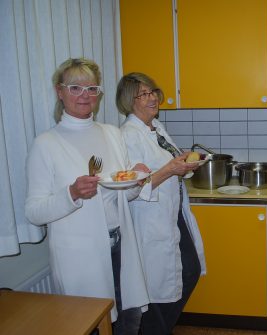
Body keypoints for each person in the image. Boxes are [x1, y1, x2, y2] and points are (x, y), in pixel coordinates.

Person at [25, 58, 150, 335]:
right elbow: (34, 212)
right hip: (81, 257)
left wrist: (137, 179)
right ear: (60, 92)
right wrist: (71, 193)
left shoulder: (112, 133)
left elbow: (123, 194)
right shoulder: (46, 144)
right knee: (92, 325)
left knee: (130, 321)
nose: (85, 95)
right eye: (75, 88)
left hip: (121, 244)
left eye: (92, 88)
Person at [116, 72, 206, 335]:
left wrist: (187, 165)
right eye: (143, 94)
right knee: (155, 286)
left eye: (152, 91)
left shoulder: (155, 128)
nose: (152, 98)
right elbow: (133, 187)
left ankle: (159, 329)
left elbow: (173, 163)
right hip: (149, 219)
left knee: (189, 271)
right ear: (129, 100)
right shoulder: (128, 135)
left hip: (173, 214)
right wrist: (171, 168)